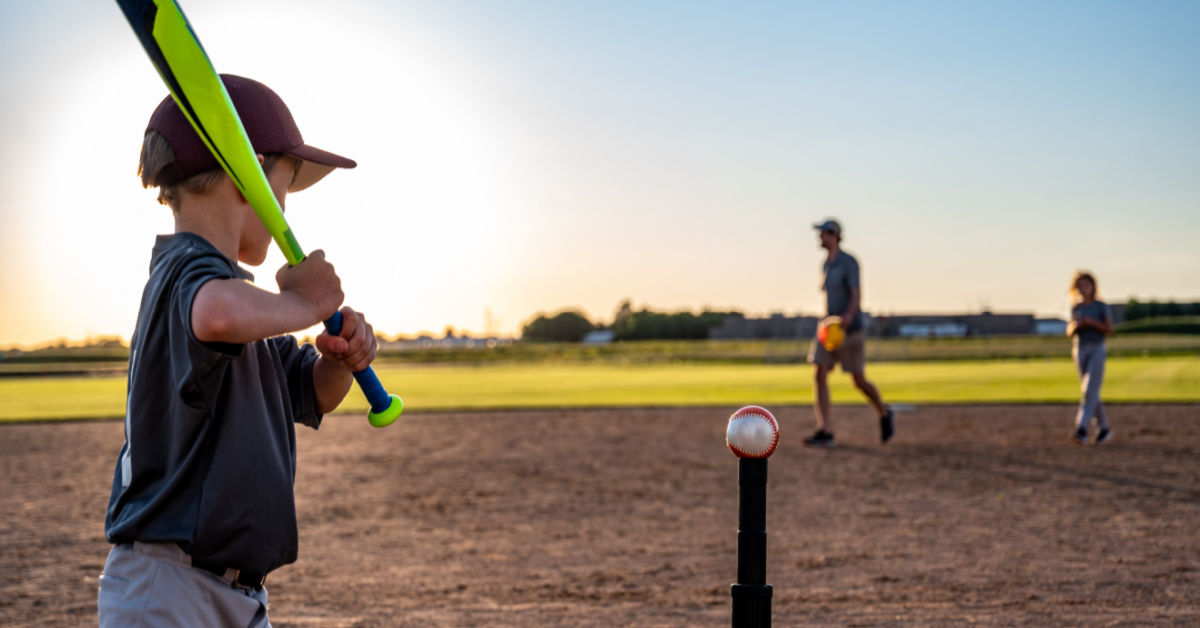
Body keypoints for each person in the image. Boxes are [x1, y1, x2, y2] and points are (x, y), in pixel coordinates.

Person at [98, 75, 376, 627]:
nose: (285, 210)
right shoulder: (186, 270)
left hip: (231, 594)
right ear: (246, 173)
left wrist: (341, 358)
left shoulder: (246, 309)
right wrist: (304, 301)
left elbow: (312, 396)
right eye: (285, 186)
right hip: (170, 589)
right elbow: (215, 312)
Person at [802, 219, 894, 448]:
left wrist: (849, 317)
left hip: (850, 330)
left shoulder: (848, 262)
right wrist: (827, 323)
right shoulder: (826, 264)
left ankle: (884, 412)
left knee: (858, 380)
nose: (819, 237)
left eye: (822, 233)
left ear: (833, 235)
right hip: (829, 330)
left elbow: (855, 295)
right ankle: (825, 430)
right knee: (819, 372)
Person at [1067, 271, 1113, 445]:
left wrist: (1092, 323)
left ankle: (1082, 429)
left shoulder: (1100, 306)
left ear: (1093, 286)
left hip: (1096, 348)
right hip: (1080, 349)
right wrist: (1076, 326)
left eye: (1086, 285)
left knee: (1089, 390)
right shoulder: (1077, 307)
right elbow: (1069, 331)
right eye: (1079, 286)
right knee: (1091, 391)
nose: (1083, 289)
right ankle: (1104, 429)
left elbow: (1109, 329)